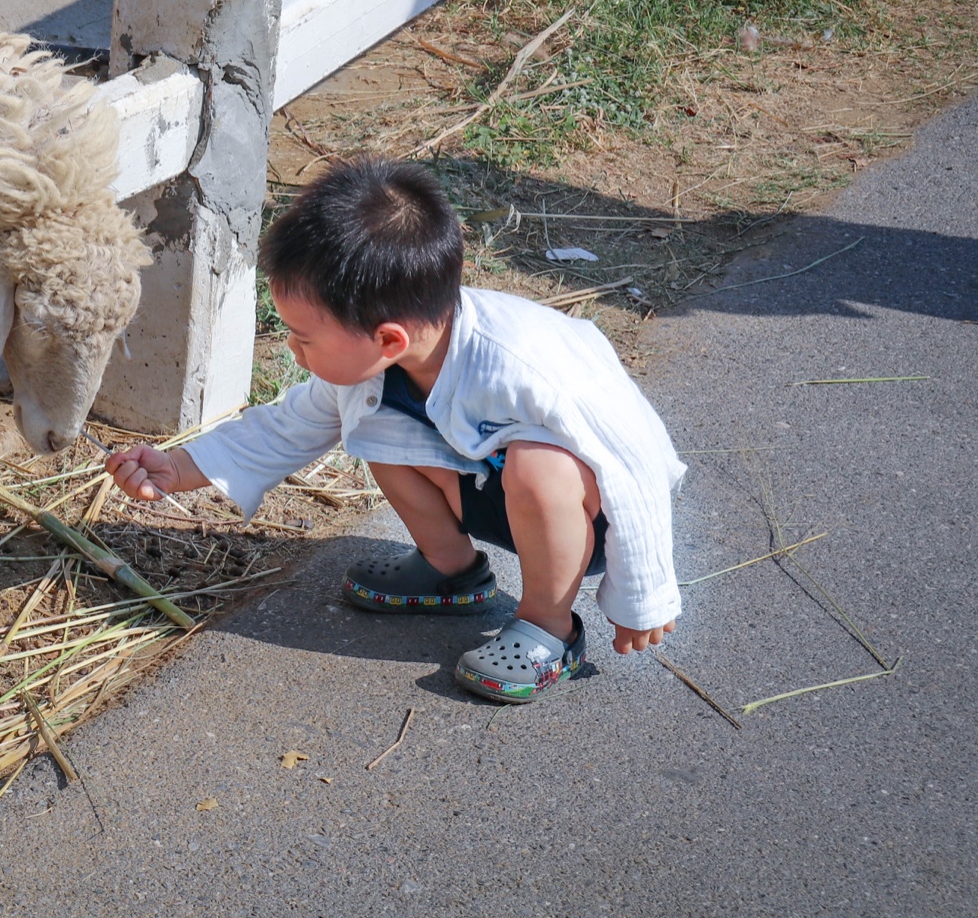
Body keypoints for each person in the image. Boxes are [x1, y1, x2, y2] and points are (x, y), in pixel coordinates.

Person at [104, 156, 683, 703]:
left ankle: (550, 626)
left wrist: (643, 590)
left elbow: (635, 462)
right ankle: (451, 571)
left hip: (592, 512)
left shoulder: (526, 362)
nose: (293, 350)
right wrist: (182, 468)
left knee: (540, 464)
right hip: (492, 490)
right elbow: (291, 424)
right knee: (378, 427)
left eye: (305, 339)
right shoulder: (378, 364)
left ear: (387, 338)